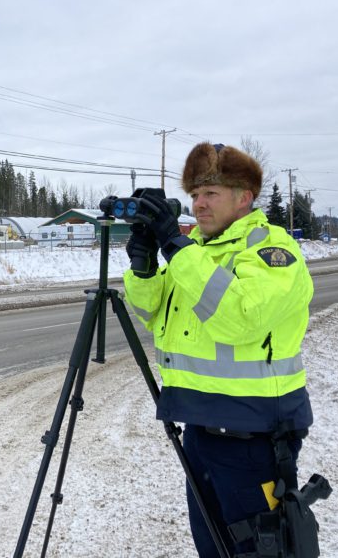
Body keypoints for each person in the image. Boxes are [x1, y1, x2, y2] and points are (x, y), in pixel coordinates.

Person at [123, 142, 315, 557]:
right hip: (200, 426)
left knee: (259, 549)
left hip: (254, 435)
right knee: (212, 546)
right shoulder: (199, 253)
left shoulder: (269, 249)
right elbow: (156, 316)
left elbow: (240, 319)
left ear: (244, 197)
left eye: (210, 193)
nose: (199, 205)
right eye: (194, 195)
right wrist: (143, 270)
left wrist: (176, 244)